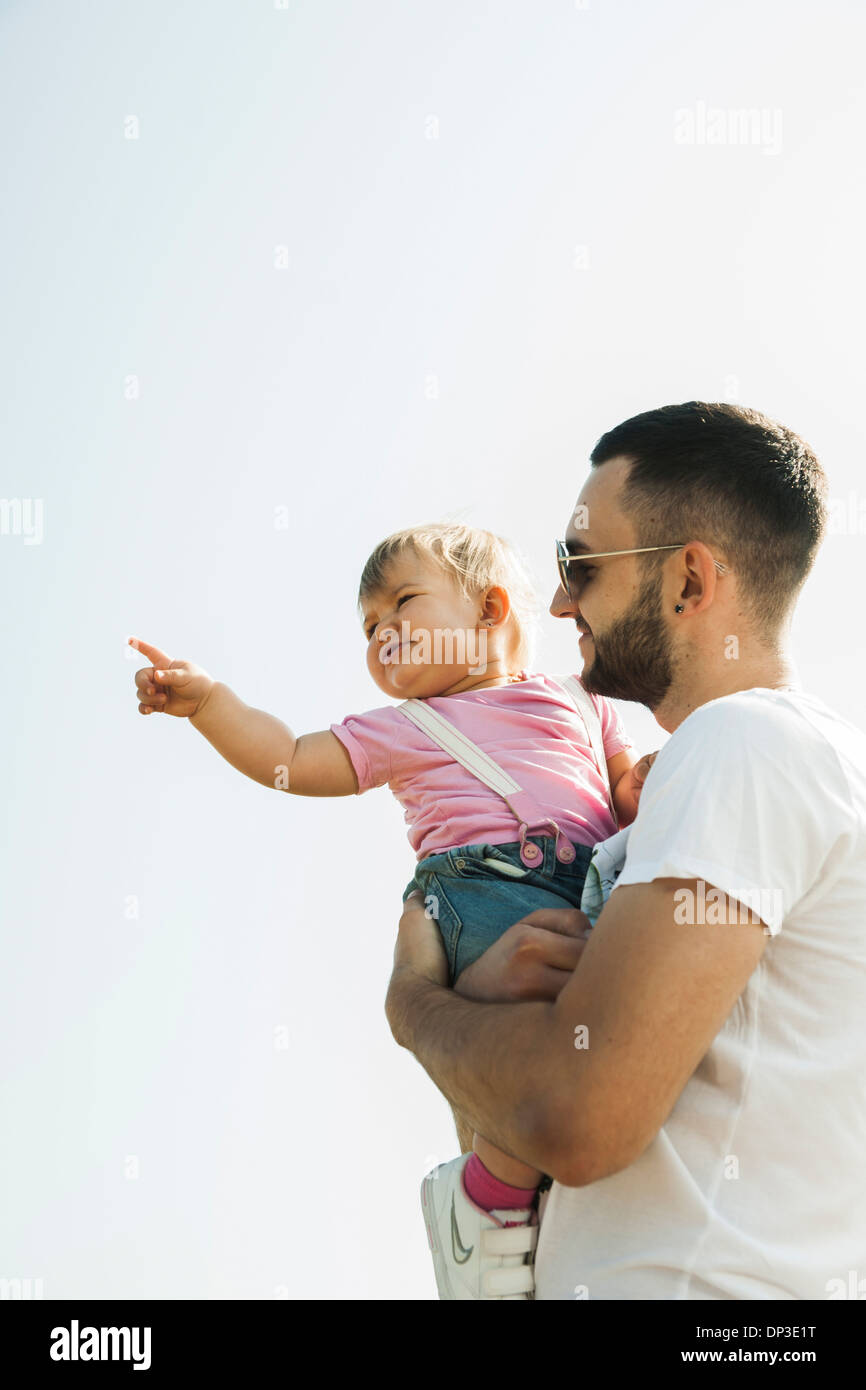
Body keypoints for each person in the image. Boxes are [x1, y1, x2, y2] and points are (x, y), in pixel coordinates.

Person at [386, 401, 866, 1300]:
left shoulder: (742, 745)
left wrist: (413, 1005)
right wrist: (489, 1009)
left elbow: (580, 1116)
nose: (560, 601)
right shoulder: (765, 770)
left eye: (582, 564)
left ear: (689, 582)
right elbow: (535, 1125)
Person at [128, 522, 652, 1300]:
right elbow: (293, 759)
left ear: (490, 608)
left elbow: (624, 794)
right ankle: (486, 1208)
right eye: (370, 627)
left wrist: (648, 782)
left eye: (402, 603)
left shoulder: (583, 705)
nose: (382, 634)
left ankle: (512, 1196)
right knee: (520, 1037)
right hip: (480, 893)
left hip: (590, 888)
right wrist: (211, 704)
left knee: (603, 1049)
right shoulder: (406, 728)